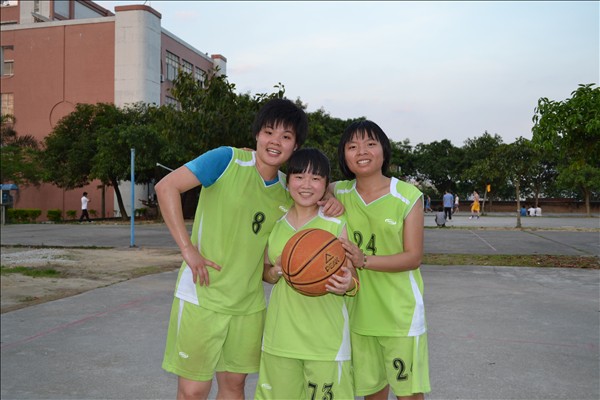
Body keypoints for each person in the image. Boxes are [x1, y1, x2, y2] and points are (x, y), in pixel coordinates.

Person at [156, 98, 343, 400]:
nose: (275, 142)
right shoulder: (226, 159)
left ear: (295, 146)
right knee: (192, 391)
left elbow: (315, 187)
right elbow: (166, 186)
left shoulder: (287, 190)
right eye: (269, 132)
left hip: (249, 305)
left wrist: (332, 197)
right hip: (203, 295)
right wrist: (187, 248)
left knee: (234, 386)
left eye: (286, 136)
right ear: (257, 134)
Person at [334, 120, 430, 400]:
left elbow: (413, 257)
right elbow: (300, 182)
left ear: (384, 151)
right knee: (372, 395)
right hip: (359, 315)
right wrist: (254, 158)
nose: (361, 151)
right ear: (344, 155)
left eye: (370, 144)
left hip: (399, 315)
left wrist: (364, 260)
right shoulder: (338, 191)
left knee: (408, 395)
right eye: (352, 146)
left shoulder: (407, 196)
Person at [255, 148, 358, 400]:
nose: (306, 185)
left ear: (326, 185)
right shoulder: (276, 223)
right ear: (288, 181)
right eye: (299, 177)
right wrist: (276, 271)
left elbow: (354, 279)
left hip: (326, 340)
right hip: (280, 337)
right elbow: (265, 273)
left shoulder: (337, 223)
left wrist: (347, 284)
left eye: (316, 178)